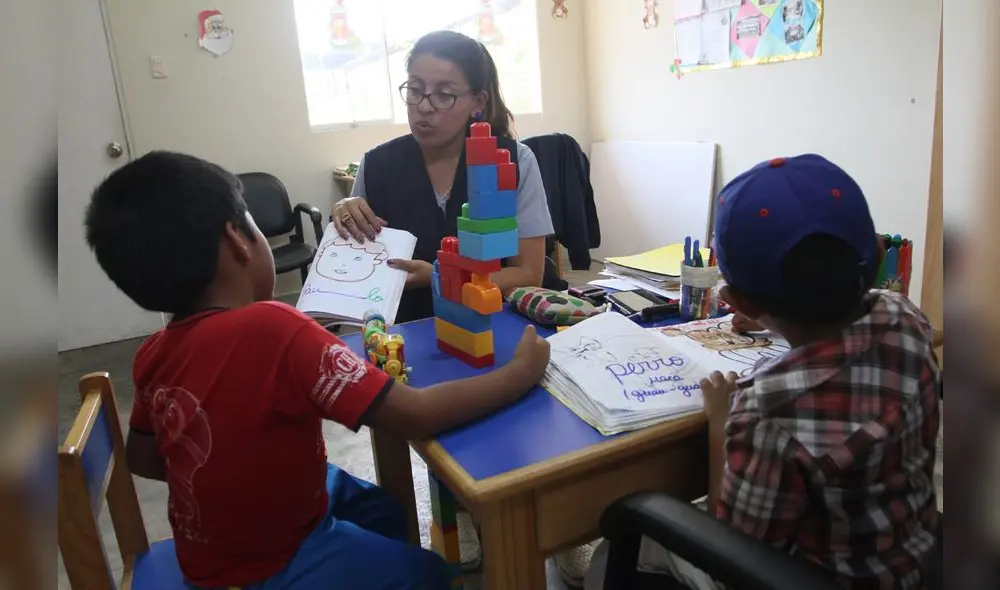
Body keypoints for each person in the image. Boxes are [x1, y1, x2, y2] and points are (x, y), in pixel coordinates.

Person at [83, 151, 551, 590]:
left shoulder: (153, 353)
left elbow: (144, 459)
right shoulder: (277, 328)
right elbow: (417, 415)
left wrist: (229, 479)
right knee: (428, 573)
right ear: (237, 241)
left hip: (204, 553)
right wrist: (520, 373)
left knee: (379, 509)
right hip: (274, 560)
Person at [584, 155, 941, 589]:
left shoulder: (766, 411)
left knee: (614, 547)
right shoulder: (907, 319)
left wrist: (720, 422)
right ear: (878, 253)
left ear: (737, 301)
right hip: (911, 565)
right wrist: (773, 317)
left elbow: (731, 554)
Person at [331, 30, 554, 325]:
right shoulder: (376, 165)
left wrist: (441, 277)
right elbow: (357, 272)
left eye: (444, 94)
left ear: (478, 102)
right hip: (405, 328)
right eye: (415, 89)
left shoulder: (513, 160)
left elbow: (529, 273)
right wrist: (344, 210)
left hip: (490, 323)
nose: (424, 106)